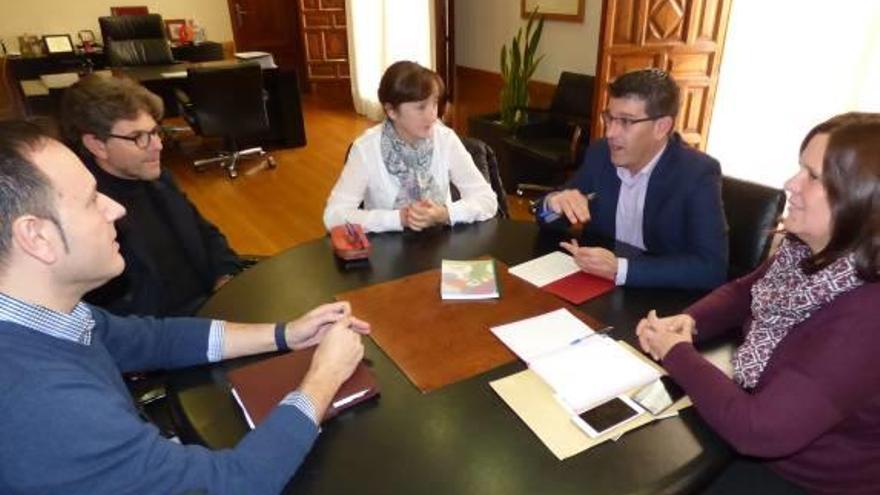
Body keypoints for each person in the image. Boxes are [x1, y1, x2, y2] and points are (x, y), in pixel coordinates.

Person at [0, 120, 370, 494]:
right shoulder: (44, 405)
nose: (115, 209)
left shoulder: (45, 313)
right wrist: (325, 376)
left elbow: (154, 339)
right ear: (36, 236)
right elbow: (233, 484)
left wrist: (286, 334)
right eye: (92, 200)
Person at [636, 113, 880, 493]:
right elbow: (744, 291)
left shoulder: (867, 316)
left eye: (813, 177)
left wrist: (676, 352)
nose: (790, 184)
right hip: (756, 419)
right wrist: (689, 320)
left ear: (862, 198)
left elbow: (761, 431)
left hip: (806, 478)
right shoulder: (806, 249)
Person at [60, 75, 242, 317]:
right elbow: (121, 317)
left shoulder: (160, 179)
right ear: (97, 145)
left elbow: (206, 234)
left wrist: (226, 277)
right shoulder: (86, 214)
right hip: (164, 337)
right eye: (138, 137)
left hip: (213, 308)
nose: (158, 146)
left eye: (155, 132)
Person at [536, 68, 728, 289]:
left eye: (626, 122)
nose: (610, 132)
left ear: (661, 127)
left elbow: (712, 268)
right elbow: (547, 219)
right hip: (596, 286)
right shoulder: (600, 154)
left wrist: (620, 269)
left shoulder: (696, 173)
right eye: (609, 118)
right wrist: (554, 203)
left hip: (660, 302)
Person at [323, 60, 498, 233]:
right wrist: (399, 218)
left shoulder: (445, 139)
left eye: (435, 103)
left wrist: (445, 214)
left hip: (442, 247)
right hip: (387, 250)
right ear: (391, 111)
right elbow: (334, 216)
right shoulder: (366, 149)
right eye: (421, 107)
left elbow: (487, 200)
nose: (432, 115)